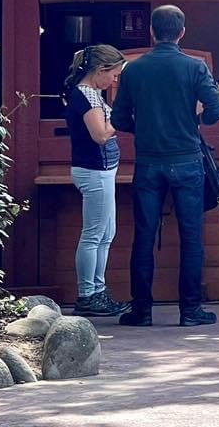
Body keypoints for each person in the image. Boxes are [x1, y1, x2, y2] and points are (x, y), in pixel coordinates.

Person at [111, 5, 219, 327]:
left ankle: (142, 310)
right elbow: (216, 111)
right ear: (182, 33)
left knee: (144, 236)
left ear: (151, 31)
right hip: (187, 159)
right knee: (191, 238)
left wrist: (145, 129)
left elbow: (119, 118)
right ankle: (190, 311)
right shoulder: (195, 67)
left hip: (148, 162)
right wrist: (194, 121)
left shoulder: (133, 70)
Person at [64, 44, 131, 317]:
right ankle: (87, 294)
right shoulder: (86, 96)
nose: (114, 81)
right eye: (113, 75)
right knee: (94, 235)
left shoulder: (90, 94)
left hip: (101, 171)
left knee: (105, 234)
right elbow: (101, 135)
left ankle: (97, 290)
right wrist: (119, 116)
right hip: (94, 170)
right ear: (100, 70)